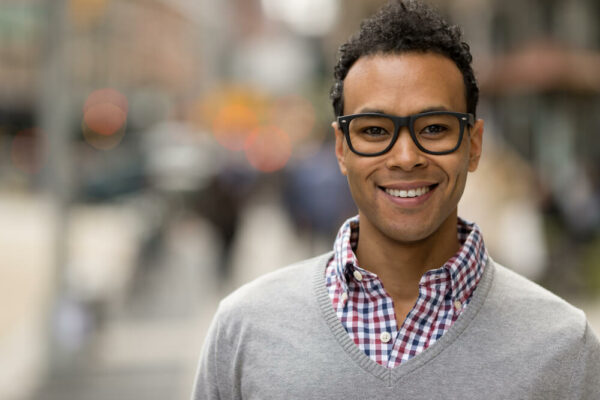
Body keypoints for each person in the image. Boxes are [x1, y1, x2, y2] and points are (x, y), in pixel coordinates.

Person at [192, 1, 600, 398]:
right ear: (340, 148)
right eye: (374, 131)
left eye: (435, 128)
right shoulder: (244, 328)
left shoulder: (563, 345)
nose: (406, 158)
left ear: (473, 145)